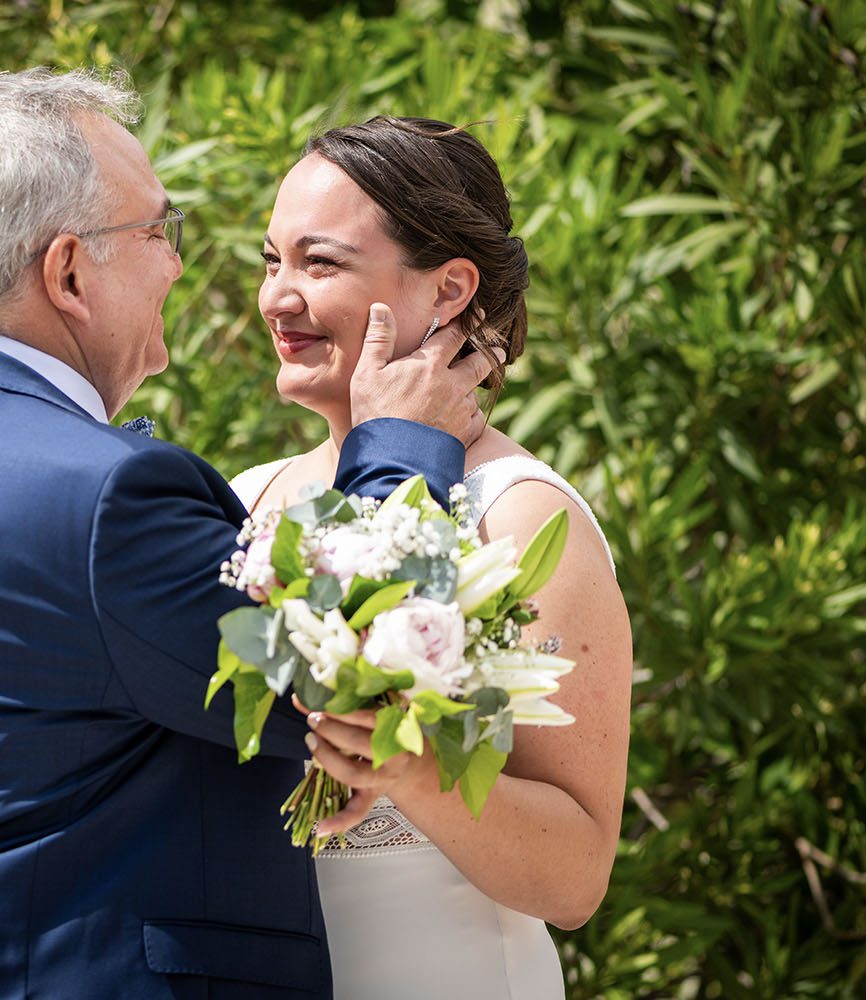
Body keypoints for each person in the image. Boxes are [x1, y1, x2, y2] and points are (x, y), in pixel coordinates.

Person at [0, 72, 499, 999]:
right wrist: (403, 442)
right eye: (156, 231)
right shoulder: (104, 498)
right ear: (69, 271)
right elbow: (361, 673)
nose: (179, 266)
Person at [228, 116, 632, 998]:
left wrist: (414, 773)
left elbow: (576, 878)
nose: (277, 298)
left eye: (319, 263)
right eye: (271, 261)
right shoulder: (249, 497)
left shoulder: (522, 517)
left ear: (449, 289)